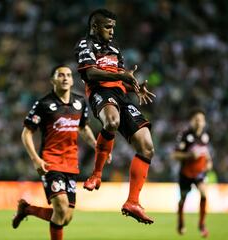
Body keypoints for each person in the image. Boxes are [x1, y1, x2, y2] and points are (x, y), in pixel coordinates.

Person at [74, 8, 156, 224]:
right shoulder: (85, 45)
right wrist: (121, 74)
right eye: (107, 26)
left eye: (113, 27)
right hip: (100, 92)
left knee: (147, 146)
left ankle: (133, 202)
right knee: (112, 121)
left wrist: (134, 88)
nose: (112, 31)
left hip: (121, 96)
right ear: (95, 27)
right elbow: (90, 73)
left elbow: (120, 80)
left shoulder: (115, 49)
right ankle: (96, 174)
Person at [12, 65, 97, 240]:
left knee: (65, 217)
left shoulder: (80, 102)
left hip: (71, 163)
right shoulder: (43, 104)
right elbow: (26, 133)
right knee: (61, 207)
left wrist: (98, 147)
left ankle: (27, 209)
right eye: (60, 75)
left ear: (73, 80)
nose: (65, 78)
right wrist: (36, 159)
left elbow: (83, 128)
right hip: (50, 161)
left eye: (68, 75)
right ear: (53, 80)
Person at [171, 108, 212, 238]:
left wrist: (209, 161)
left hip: (200, 173)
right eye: (196, 119)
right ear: (191, 121)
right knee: (183, 199)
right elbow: (174, 155)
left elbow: (206, 152)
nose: (199, 122)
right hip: (186, 173)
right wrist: (189, 155)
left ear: (204, 122)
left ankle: (202, 225)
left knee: (204, 194)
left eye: (201, 120)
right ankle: (180, 222)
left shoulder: (205, 136)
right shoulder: (184, 135)